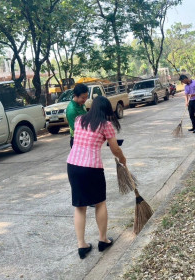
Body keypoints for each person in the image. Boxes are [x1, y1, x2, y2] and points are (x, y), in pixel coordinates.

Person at [66, 96, 127, 259]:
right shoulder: (106, 125)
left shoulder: (79, 120)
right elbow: (115, 148)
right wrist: (123, 159)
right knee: (100, 203)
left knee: (80, 206)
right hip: (91, 168)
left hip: (73, 165)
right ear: (106, 110)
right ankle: (103, 240)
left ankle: (82, 245)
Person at [66, 84, 89, 148]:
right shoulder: (71, 110)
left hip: (85, 137)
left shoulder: (82, 104)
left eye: (86, 97)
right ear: (76, 96)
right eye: (83, 98)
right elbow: (75, 128)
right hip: (77, 140)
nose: (85, 100)